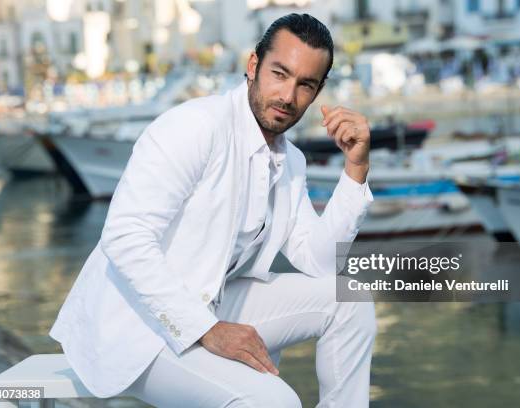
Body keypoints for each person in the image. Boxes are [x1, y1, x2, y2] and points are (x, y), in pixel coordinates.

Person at [49, 13, 376, 407]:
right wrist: (208, 329)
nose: (288, 96)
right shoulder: (194, 127)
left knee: (349, 296)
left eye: (304, 84)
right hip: (139, 329)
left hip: (213, 305)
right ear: (253, 66)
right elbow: (124, 236)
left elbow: (321, 264)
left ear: (319, 89)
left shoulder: (290, 162)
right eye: (279, 73)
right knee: (275, 403)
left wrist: (356, 170)